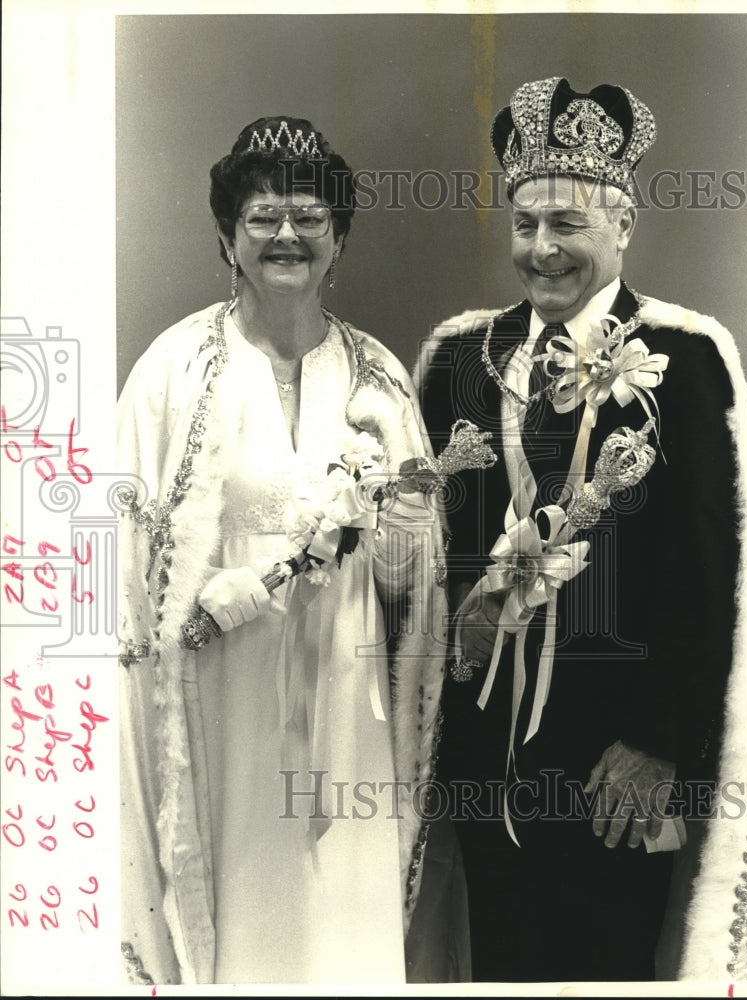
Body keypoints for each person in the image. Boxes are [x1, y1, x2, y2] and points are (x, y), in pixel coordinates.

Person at [415, 78, 747, 982]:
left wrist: (662, 743)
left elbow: (713, 571)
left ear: (623, 226)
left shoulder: (684, 358)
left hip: (616, 769)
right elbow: (436, 550)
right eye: (527, 224)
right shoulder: (460, 357)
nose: (542, 250)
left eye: (567, 226)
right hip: (482, 760)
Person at [117, 115, 449, 985]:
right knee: (240, 907)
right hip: (219, 694)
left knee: (339, 903)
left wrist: (400, 528)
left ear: (338, 238)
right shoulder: (173, 371)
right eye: (264, 215)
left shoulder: (378, 375)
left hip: (347, 701)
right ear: (227, 235)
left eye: (310, 215)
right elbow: (129, 567)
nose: (287, 235)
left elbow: (413, 584)